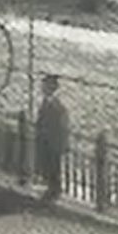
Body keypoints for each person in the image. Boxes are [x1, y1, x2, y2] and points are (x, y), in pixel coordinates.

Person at [35, 74, 70, 204]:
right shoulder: (47, 101)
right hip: (46, 141)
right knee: (48, 166)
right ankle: (51, 189)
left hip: (53, 142)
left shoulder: (57, 105)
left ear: (52, 88)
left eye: (45, 86)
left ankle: (54, 190)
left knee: (54, 167)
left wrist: (62, 143)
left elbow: (62, 125)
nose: (42, 88)